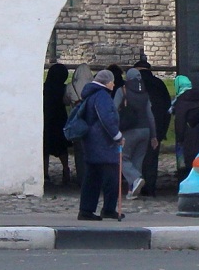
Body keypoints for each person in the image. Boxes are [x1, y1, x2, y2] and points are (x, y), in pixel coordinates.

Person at [77, 69, 125, 221]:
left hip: (92, 142)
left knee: (93, 177)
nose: (114, 84)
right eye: (112, 81)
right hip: (104, 144)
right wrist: (117, 136)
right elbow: (106, 118)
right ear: (107, 82)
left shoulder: (91, 94)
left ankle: (86, 209)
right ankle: (109, 209)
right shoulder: (102, 96)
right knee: (112, 176)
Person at [114, 68, 157, 200]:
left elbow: (114, 110)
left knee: (121, 158)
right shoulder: (144, 93)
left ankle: (135, 179)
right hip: (145, 131)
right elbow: (150, 115)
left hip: (129, 130)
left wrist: (114, 130)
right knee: (137, 160)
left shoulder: (122, 90)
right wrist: (154, 136)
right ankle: (132, 190)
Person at [132, 59, 171, 196]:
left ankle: (136, 184)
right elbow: (167, 106)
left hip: (135, 127)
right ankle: (150, 186)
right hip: (156, 127)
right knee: (151, 158)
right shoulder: (159, 84)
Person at [171, 76, 199, 181]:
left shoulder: (181, 101)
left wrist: (179, 139)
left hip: (187, 134)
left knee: (186, 162)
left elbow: (180, 121)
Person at [42, 63, 71, 187]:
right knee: (61, 147)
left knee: (45, 147)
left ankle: (45, 173)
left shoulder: (44, 88)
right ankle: (66, 169)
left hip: (47, 118)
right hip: (60, 118)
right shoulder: (63, 88)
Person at [67, 63, 92, 187]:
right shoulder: (94, 86)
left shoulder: (71, 87)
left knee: (79, 152)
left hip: (77, 120)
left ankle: (82, 179)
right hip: (91, 121)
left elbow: (65, 101)